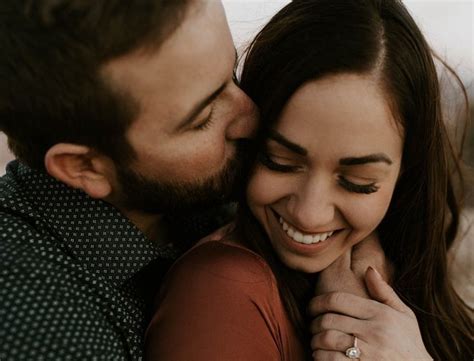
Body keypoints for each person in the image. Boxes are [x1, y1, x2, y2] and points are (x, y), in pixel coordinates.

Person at [145, 0, 474, 360]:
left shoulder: (391, 276)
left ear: (405, 174)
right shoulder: (220, 291)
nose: (310, 214)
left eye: (358, 182)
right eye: (280, 162)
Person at [0, 0, 260, 359]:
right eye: (203, 119)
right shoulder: (39, 329)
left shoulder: (184, 189)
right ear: (84, 167)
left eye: (232, 73)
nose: (252, 117)